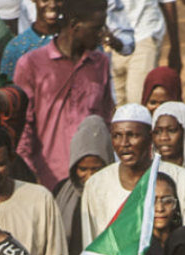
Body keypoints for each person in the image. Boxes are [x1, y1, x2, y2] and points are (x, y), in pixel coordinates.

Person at [9, 0, 116, 191]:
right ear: (74, 25)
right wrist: (30, 175)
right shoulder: (31, 64)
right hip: (48, 180)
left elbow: (107, 120)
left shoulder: (100, 63)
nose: (103, 34)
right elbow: (23, 127)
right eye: (97, 27)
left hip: (93, 180)